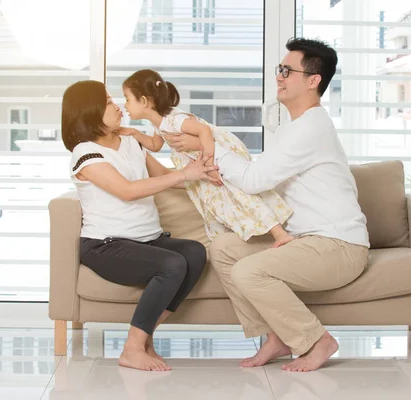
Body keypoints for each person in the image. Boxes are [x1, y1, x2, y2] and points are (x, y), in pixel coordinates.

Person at [166, 38, 370, 372]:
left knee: (250, 270)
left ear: (313, 80)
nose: (279, 76)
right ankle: (277, 337)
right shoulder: (294, 128)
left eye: (287, 70)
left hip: (338, 246)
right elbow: (255, 176)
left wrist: (210, 144)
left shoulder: (312, 127)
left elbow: (254, 179)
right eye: (279, 69)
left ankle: (318, 340)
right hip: (306, 240)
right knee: (225, 249)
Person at [61, 80, 218, 372]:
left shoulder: (131, 142)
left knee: (195, 253)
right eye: (108, 101)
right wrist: (184, 175)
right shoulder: (85, 153)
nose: (117, 106)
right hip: (105, 245)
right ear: (89, 110)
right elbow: (128, 190)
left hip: (147, 240)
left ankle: (143, 336)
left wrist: (203, 173)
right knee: (171, 264)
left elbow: (163, 175)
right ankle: (132, 348)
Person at [118, 69, 294, 248]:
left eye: (127, 99)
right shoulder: (160, 125)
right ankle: (230, 236)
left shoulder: (174, 120)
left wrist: (211, 163)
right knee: (218, 203)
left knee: (240, 196)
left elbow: (204, 131)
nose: (124, 105)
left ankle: (279, 232)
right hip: (203, 165)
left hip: (214, 156)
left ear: (144, 101)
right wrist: (133, 132)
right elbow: (154, 146)